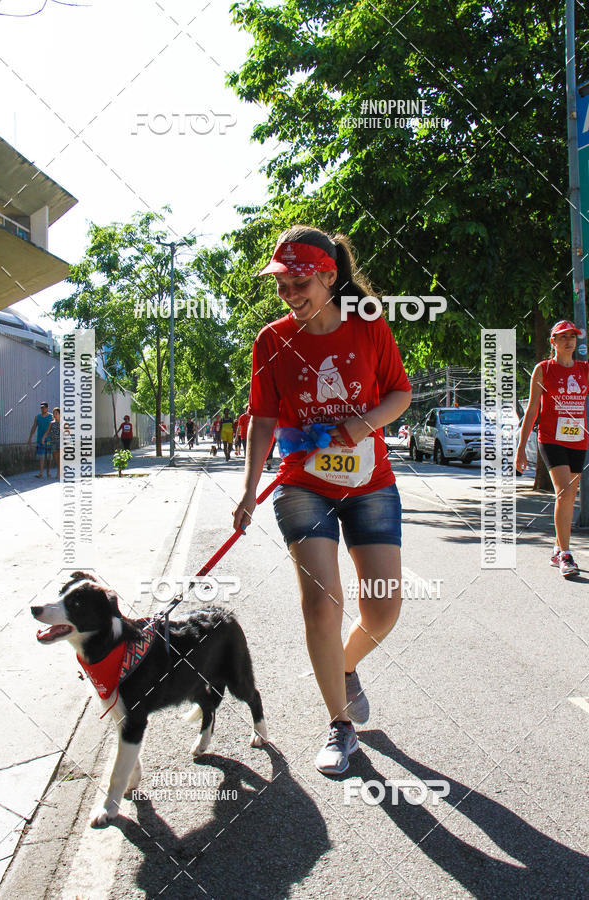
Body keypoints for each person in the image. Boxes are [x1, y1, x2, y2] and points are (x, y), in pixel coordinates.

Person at [233, 225, 412, 775]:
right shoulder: (270, 341)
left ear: (330, 276)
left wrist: (364, 424)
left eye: (299, 281)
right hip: (302, 485)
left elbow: (399, 393)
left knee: (383, 607)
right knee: (322, 602)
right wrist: (246, 491)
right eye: (282, 283)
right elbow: (263, 420)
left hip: (371, 482)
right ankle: (339, 724)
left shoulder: (369, 327)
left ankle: (345, 668)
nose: (289, 293)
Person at [516, 319, 588, 578]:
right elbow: (533, 409)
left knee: (571, 496)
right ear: (553, 342)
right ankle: (566, 556)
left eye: (572, 336)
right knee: (565, 493)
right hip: (551, 438)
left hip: (578, 440)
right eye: (563, 336)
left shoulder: (584, 369)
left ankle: (558, 547)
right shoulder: (544, 369)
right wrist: (521, 447)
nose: (569, 340)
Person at [28, 402, 53, 478]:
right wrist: (30, 437)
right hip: (40, 439)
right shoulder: (37, 417)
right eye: (41, 407)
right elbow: (34, 427)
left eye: (44, 407)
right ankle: (41, 472)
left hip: (49, 439)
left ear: (47, 408)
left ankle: (48, 472)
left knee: (49, 457)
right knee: (41, 456)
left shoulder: (51, 416)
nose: (43, 409)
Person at [42, 406, 63, 478]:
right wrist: (43, 438)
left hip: (60, 442)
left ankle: (58, 473)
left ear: (60, 414)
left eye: (56, 413)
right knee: (55, 457)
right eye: (54, 413)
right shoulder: (51, 423)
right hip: (53, 442)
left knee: (60, 457)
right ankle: (59, 469)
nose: (55, 414)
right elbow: (47, 431)